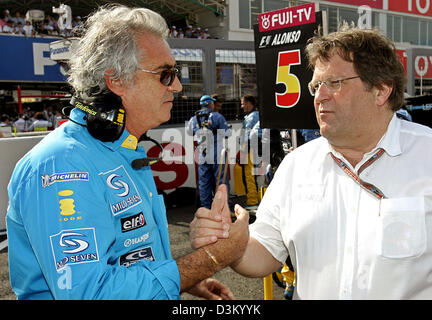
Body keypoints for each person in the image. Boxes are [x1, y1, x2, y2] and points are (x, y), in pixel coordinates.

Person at [6, 4, 249, 300]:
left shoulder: (123, 150)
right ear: (116, 80)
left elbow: (132, 258)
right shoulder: (61, 164)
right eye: (165, 74)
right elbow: (91, 294)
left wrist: (184, 282)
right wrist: (213, 258)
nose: (176, 86)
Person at [190, 25, 432, 299]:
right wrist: (230, 242)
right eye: (316, 85)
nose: (319, 96)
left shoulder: (427, 155)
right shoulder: (296, 165)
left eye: (335, 83)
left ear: (381, 90)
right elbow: (265, 252)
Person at [187, 94, 232, 209]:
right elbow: (227, 134)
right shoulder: (216, 116)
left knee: (204, 183)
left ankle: (206, 209)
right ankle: (224, 208)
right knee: (221, 181)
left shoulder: (194, 118)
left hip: (202, 153)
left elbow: (189, 132)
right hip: (217, 153)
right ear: (210, 104)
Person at [239, 94, 262, 210]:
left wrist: (244, 150)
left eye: (243, 103)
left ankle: (253, 202)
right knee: (250, 176)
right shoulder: (253, 115)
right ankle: (254, 200)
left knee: (249, 176)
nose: (242, 106)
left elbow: (248, 136)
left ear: (249, 103)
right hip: (250, 148)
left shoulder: (252, 117)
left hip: (249, 149)